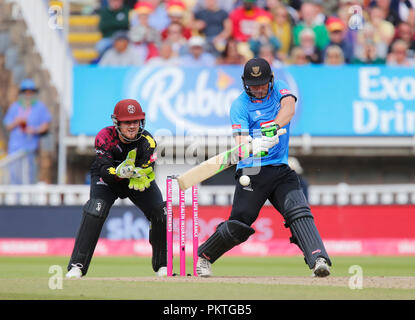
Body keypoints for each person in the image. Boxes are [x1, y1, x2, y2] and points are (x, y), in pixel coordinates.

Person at [196, 58, 332, 278]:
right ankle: (204, 256)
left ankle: (318, 259)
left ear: (270, 80)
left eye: (261, 84)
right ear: (244, 83)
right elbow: (241, 145)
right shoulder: (239, 106)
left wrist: (274, 127)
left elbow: (289, 109)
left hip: (280, 168)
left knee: (298, 211)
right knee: (240, 223)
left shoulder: (279, 88)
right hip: (252, 171)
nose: (258, 90)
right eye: (252, 85)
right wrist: (257, 144)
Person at [66, 99, 167, 278]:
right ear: (117, 123)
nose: (132, 126)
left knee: (160, 211)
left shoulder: (148, 141)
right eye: (127, 122)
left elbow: (148, 167)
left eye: (135, 121)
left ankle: (162, 266)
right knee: (95, 210)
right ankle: (77, 266)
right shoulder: (104, 137)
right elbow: (104, 170)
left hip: (136, 179)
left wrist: (138, 172)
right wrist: (120, 173)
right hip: (108, 180)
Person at [3, 79, 52, 184]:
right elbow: (8, 125)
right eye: (26, 92)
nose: (28, 94)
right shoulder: (15, 106)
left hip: (30, 150)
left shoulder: (40, 107)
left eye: (30, 92)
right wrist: (16, 122)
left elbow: (46, 125)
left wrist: (35, 130)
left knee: (29, 178)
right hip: (15, 149)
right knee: (14, 177)